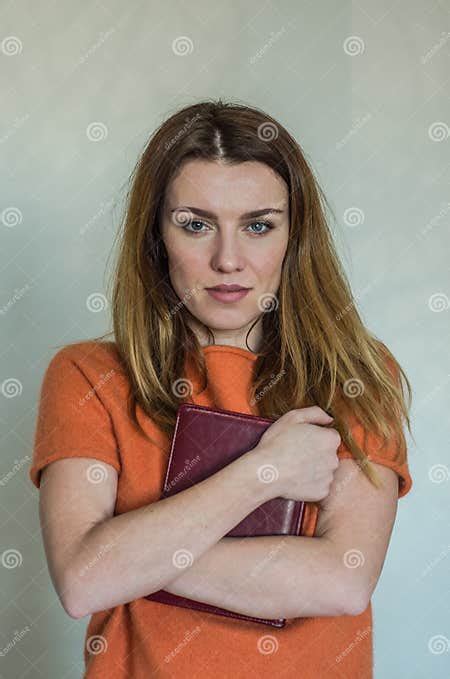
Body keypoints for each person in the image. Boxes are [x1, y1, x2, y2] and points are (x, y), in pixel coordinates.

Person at [29, 99, 413, 678]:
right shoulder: (89, 375)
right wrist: (266, 472)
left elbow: (341, 581)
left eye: (258, 225)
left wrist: (129, 560)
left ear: (295, 236)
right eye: (195, 225)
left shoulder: (356, 370)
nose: (228, 259)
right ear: (156, 235)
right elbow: (82, 585)